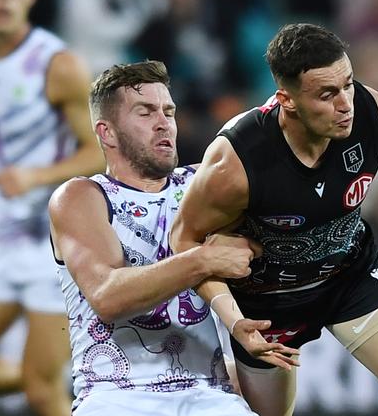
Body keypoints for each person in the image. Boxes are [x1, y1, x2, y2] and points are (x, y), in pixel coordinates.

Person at [170, 23, 378, 416]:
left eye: (348, 84)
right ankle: (222, 383)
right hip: (269, 304)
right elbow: (185, 240)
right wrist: (234, 321)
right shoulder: (235, 162)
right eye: (327, 94)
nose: (346, 104)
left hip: (351, 276)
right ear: (286, 99)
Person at [48, 61, 294, 416]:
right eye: (145, 113)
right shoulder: (81, 196)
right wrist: (203, 259)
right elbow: (107, 296)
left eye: (168, 111)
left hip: (207, 393)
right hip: (115, 395)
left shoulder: (200, 186)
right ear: (107, 133)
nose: (164, 123)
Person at [0, 0, 104, 416]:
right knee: (36, 381)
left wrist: (38, 176)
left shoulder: (58, 66)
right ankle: (100, 379)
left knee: (40, 394)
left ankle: (58, 379)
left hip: (49, 249)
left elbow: (99, 151)